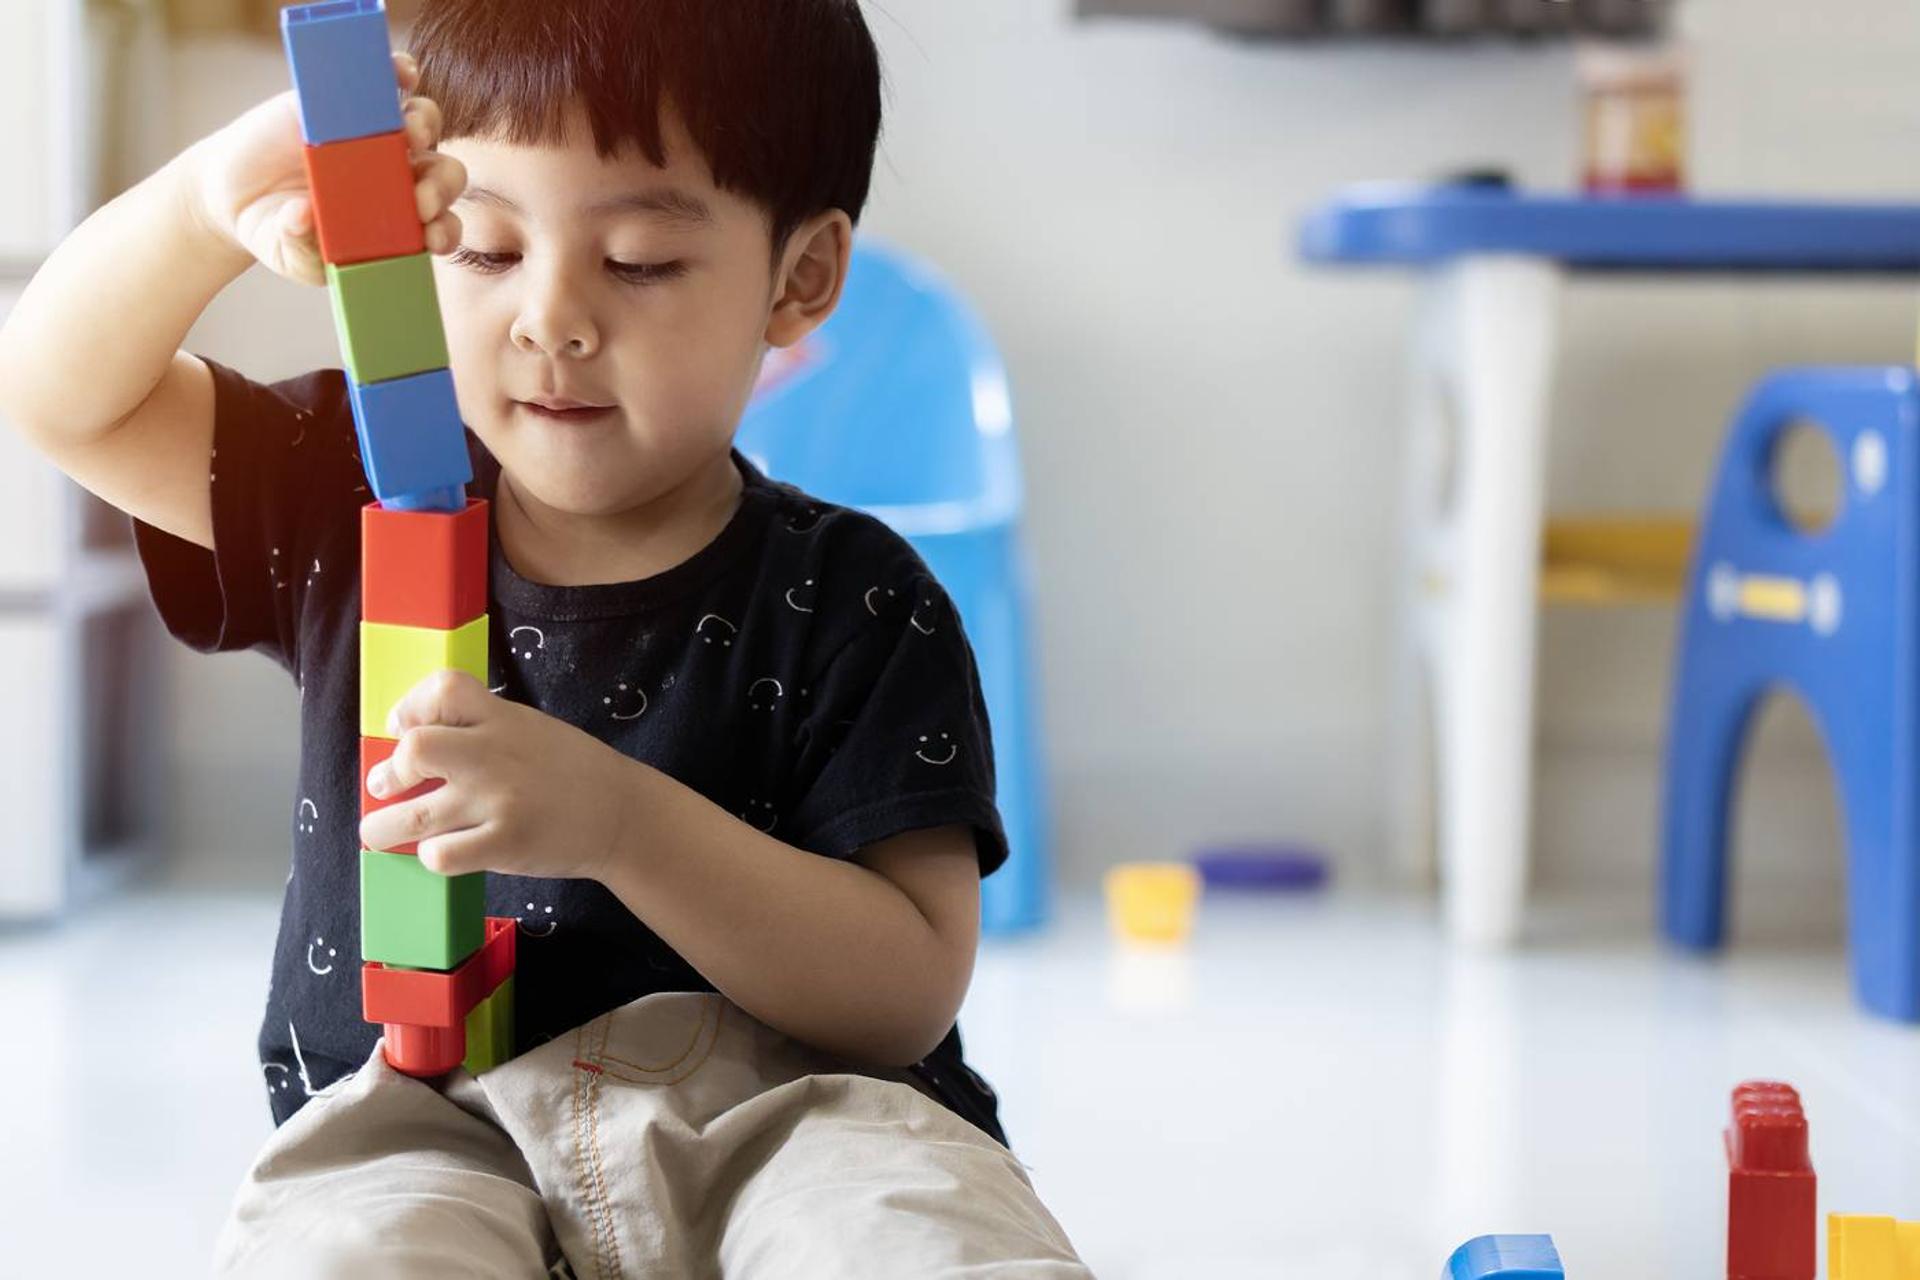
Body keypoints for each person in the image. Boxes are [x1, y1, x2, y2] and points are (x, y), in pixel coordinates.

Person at [0, 1, 1090, 1273]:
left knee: (922, 1239)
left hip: (801, 1118)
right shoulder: (350, 495)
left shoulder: (858, 593)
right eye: (479, 249)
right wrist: (199, 207)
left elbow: (904, 986)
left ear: (799, 280)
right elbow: (65, 396)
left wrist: (622, 824)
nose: (552, 318)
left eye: (636, 260)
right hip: (421, 1125)